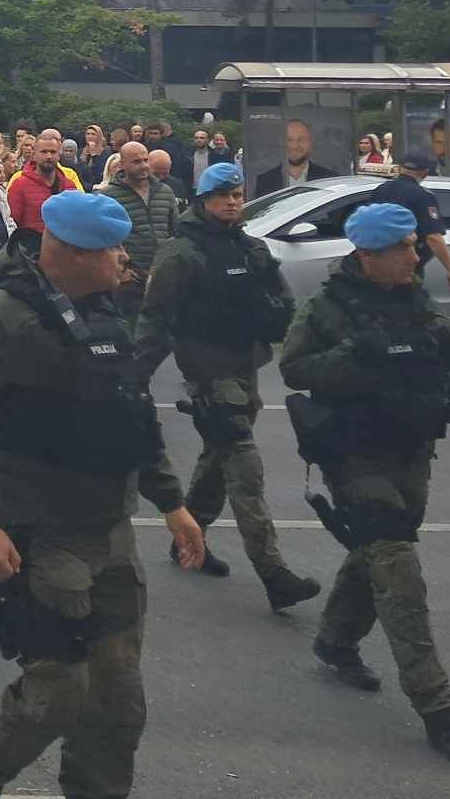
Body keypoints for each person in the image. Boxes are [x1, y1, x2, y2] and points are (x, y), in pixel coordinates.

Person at [0, 190, 206, 799]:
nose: (123, 261)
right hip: (38, 532)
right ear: (75, 253)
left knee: (119, 703)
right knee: (59, 688)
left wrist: (172, 502)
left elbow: (132, 415)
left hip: (108, 529)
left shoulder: (105, 315)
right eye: (113, 250)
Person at [279, 202, 450, 758]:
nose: (417, 254)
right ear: (368, 255)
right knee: (397, 568)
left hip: (412, 451)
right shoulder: (327, 308)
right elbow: (295, 369)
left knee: (377, 553)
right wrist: (354, 354)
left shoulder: (417, 300)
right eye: (405, 248)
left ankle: (336, 642)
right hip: (354, 454)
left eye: (415, 245)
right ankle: (438, 708)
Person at [136, 162, 321, 608]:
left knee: (218, 454)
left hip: (246, 364)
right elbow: (154, 319)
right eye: (224, 197)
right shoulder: (181, 253)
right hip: (207, 370)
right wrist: (129, 379)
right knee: (244, 465)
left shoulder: (251, 248)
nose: (233, 202)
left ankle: (188, 538)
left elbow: (283, 301)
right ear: (203, 201)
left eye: (238, 195)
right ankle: (273, 572)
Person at [101, 141, 177, 321]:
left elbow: (176, 232)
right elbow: (103, 240)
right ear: (122, 165)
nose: (143, 166)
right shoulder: (108, 197)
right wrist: (120, 271)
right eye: (136, 162)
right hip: (129, 281)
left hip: (162, 277)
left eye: (145, 160)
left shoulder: (165, 192)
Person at [369, 151, 450, 296]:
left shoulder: (380, 190)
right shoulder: (423, 196)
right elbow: (433, 237)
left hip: (377, 262)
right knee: (410, 307)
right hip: (406, 267)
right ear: (425, 172)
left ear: (399, 168)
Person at [5, 129, 79, 254]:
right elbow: (11, 223)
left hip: (64, 252)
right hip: (31, 253)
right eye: (44, 152)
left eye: (52, 152)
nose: (48, 156)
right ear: (34, 154)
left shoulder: (69, 185)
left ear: (59, 154)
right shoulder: (20, 185)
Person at [254, 118, 336, 196]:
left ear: (310, 143)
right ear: (281, 143)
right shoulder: (264, 182)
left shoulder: (329, 179)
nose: (295, 146)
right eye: (289, 140)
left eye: (301, 139)